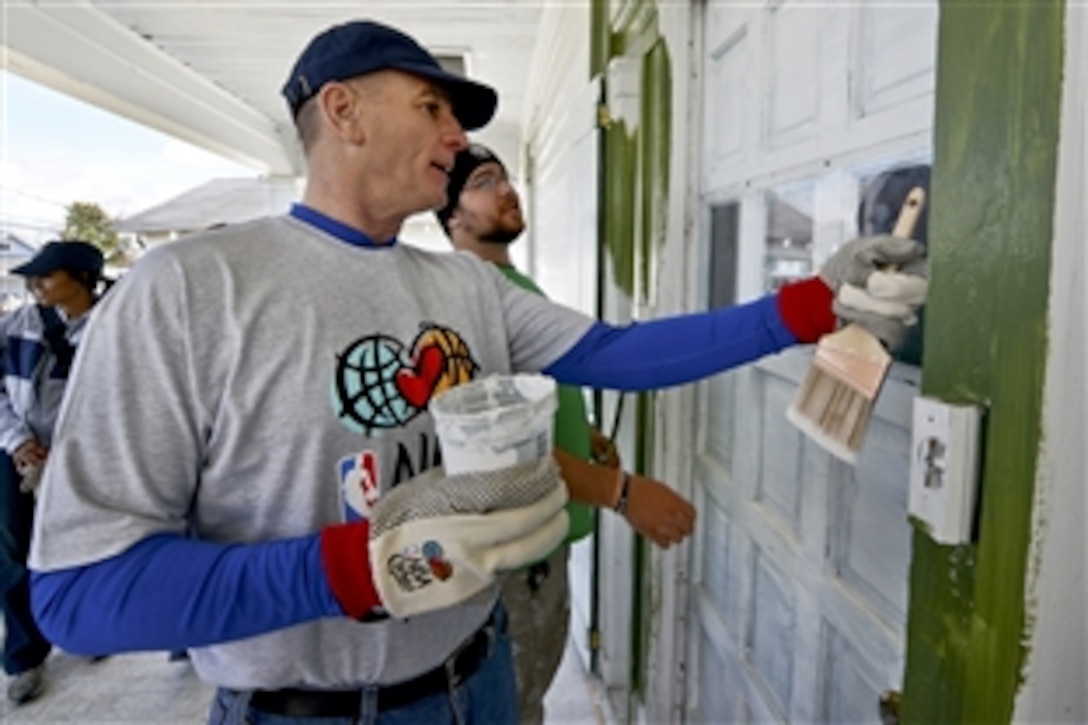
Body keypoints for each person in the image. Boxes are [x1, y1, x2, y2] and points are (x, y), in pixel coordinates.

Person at [26, 19, 927, 725]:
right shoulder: (190, 287)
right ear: (342, 111)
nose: (459, 137)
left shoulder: (465, 283)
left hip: (479, 679)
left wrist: (814, 305)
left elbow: (620, 354)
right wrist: (358, 568)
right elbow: (80, 593)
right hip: (301, 711)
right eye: (433, 108)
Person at [436, 141, 697, 722]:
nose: (507, 189)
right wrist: (623, 493)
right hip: (514, 557)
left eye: (506, 177)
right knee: (516, 705)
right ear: (450, 213)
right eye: (484, 181)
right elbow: (495, 451)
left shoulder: (512, 286)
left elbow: (529, 397)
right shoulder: (465, 300)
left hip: (544, 539)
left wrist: (585, 434)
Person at [0, 240, 107, 705]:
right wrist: (17, 441)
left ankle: (87, 630)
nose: (36, 284)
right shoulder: (16, 327)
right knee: (12, 552)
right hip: (16, 454)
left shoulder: (115, 328)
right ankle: (25, 657)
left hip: (83, 459)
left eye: (47, 274)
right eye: (33, 276)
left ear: (82, 278)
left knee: (87, 544)